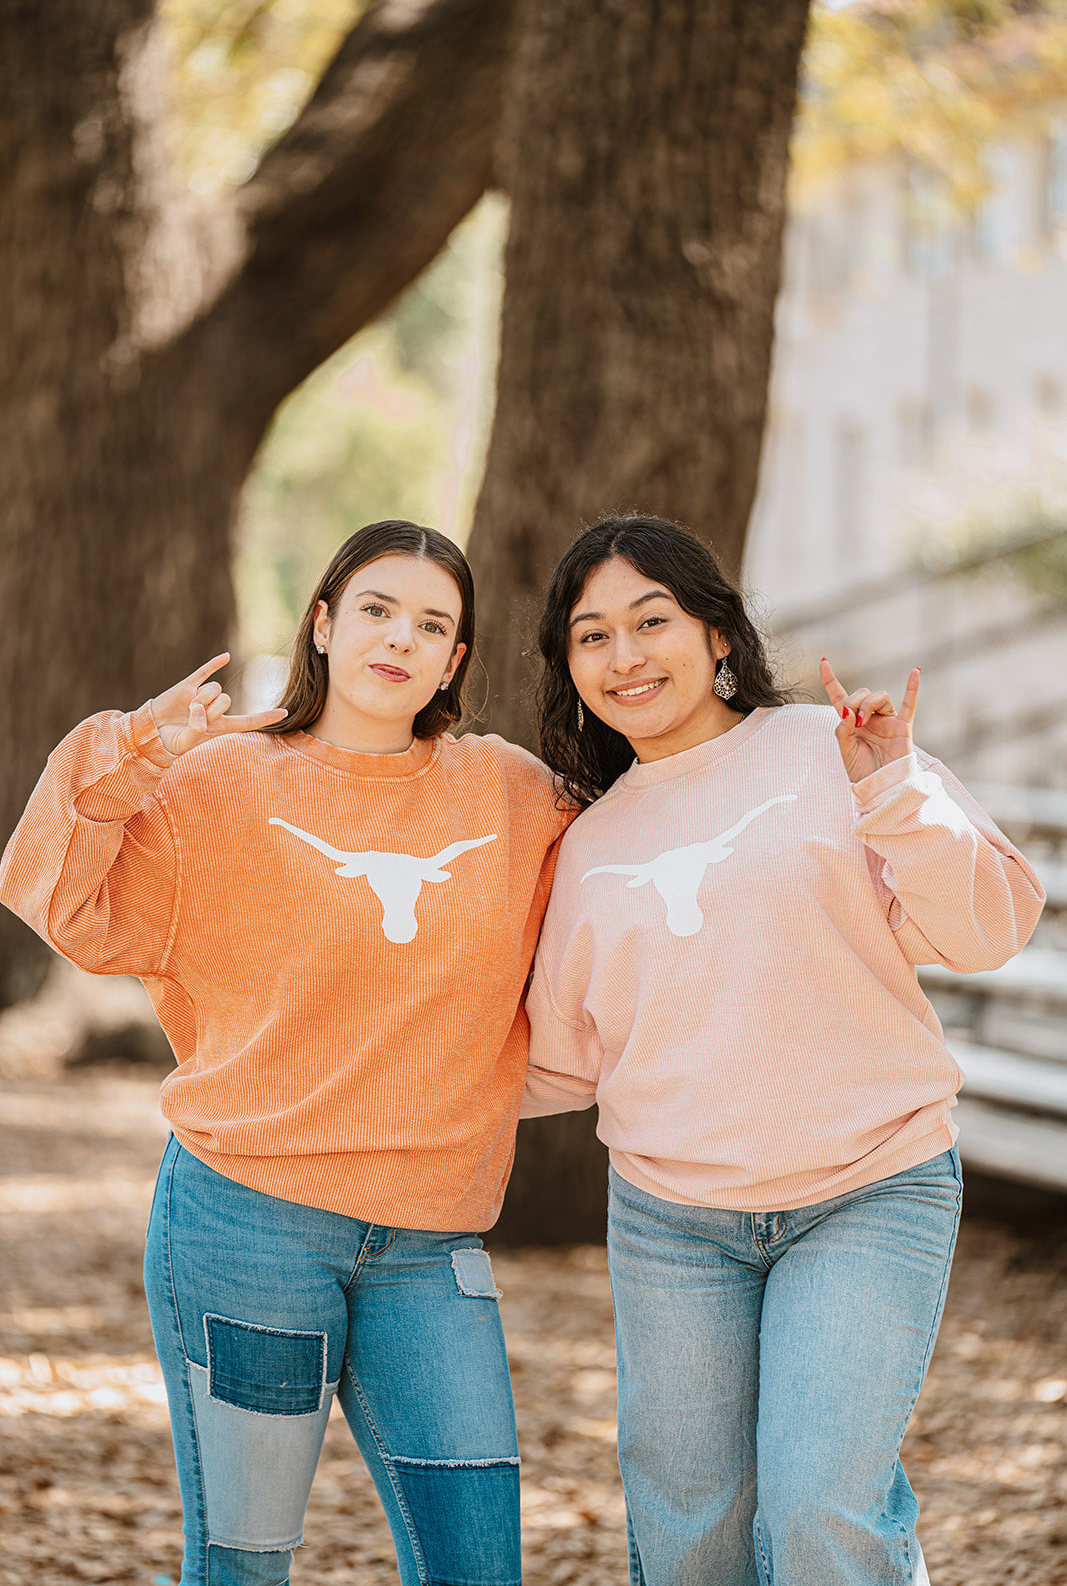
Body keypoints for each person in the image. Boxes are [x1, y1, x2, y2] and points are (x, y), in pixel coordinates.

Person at [0, 520, 571, 1586]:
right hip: (245, 1221)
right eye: (375, 609)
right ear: (322, 623)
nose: (399, 638)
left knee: (480, 1566)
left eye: (432, 624)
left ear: (455, 660)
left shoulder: (506, 792)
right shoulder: (218, 781)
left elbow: (637, 860)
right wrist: (129, 757)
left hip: (430, 1240)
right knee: (245, 1564)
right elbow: (57, 896)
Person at [522, 513, 1044, 1586]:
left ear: (717, 633)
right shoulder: (586, 842)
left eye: (649, 620)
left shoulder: (830, 748)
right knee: (690, 1536)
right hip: (672, 1221)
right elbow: (556, 1058)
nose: (623, 656)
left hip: (867, 1187)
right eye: (590, 636)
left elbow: (986, 927)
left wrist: (891, 786)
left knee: (816, 1511)